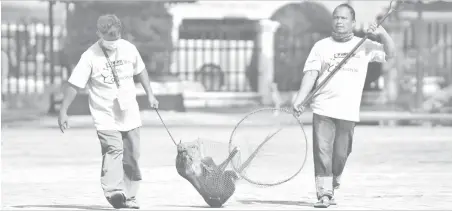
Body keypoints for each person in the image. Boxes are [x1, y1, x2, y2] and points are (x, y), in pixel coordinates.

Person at [292, 4, 396, 208]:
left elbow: (391, 54)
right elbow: (311, 74)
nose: (339, 21)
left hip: (348, 111)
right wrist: (300, 98)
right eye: (336, 17)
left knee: (341, 153)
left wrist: (382, 34)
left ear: (353, 23)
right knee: (322, 152)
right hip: (322, 108)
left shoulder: (364, 45)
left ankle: (334, 177)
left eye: (344, 18)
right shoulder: (321, 46)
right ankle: (324, 194)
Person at [58, 14, 159, 209]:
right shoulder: (89, 56)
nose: (113, 40)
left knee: (132, 156)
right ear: (99, 33)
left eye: (116, 35)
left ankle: (130, 196)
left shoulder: (129, 49)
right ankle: (113, 192)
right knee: (113, 149)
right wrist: (63, 110)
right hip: (104, 114)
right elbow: (74, 84)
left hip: (129, 112)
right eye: (108, 36)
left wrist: (151, 95)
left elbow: (141, 71)